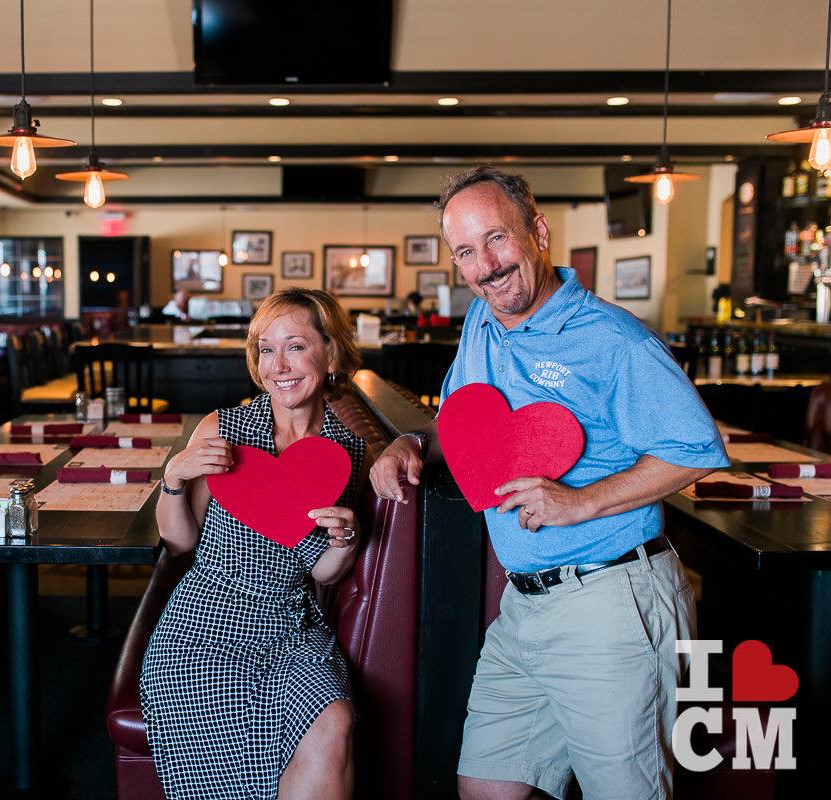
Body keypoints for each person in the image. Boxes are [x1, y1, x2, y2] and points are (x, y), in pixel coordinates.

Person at [369, 166, 728, 800]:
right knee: (485, 786)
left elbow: (696, 449)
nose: (487, 265)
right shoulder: (482, 324)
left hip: (611, 602)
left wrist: (581, 500)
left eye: (498, 239)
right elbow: (462, 421)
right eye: (466, 252)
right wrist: (412, 442)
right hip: (523, 607)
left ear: (538, 231)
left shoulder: (613, 339)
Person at [141, 287, 367, 800]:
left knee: (335, 720)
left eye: (295, 346)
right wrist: (174, 478)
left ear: (330, 353)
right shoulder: (223, 429)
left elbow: (324, 572)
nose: (279, 365)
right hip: (204, 625)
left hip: (291, 624)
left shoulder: (346, 452)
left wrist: (346, 539)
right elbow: (178, 543)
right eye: (266, 349)